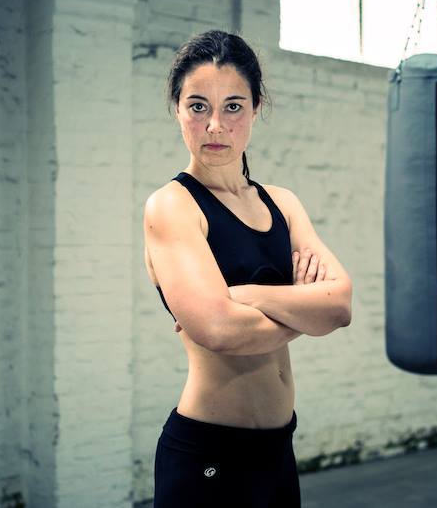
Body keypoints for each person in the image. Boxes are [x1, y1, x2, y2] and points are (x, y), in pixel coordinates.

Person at [143, 30, 353, 508]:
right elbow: (220, 329)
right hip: (208, 455)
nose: (215, 124)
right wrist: (303, 309)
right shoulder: (172, 207)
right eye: (198, 106)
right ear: (177, 109)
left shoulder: (283, 203)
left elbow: (339, 305)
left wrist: (248, 296)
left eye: (233, 106)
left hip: (278, 451)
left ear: (257, 108)